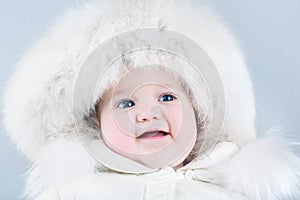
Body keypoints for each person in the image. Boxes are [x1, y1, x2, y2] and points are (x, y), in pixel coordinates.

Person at [3, 0, 299, 199]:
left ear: (201, 113)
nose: (148, 114)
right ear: (95, 124)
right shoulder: (74, 191)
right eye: (126, 104)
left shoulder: (230, 188)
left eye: (167, 96)